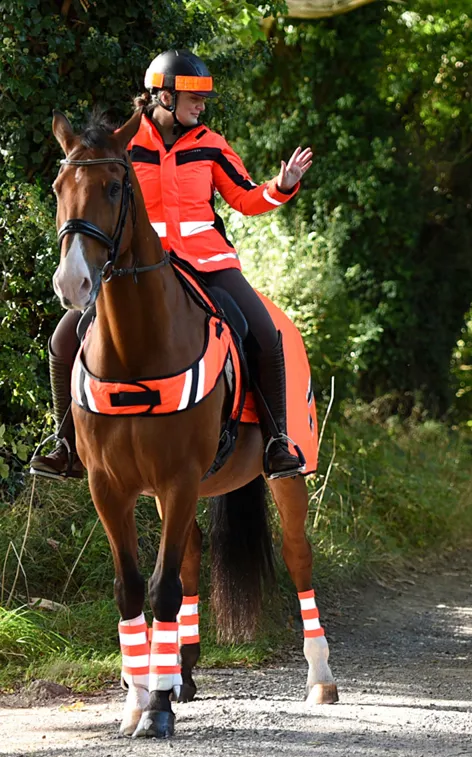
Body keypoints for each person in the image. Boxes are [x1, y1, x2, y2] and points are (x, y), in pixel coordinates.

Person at [30, 49, 313, 481]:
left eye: (203, 100)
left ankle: (276, 443)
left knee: (264, 332)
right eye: (193, 98)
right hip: (136, 267)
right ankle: (64, 444)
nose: (201, 106)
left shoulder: (212, 145)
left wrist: (282, 186)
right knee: (63, 339)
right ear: (163, 97)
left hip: (209, 262)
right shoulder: (123, 146)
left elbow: (246, 199)